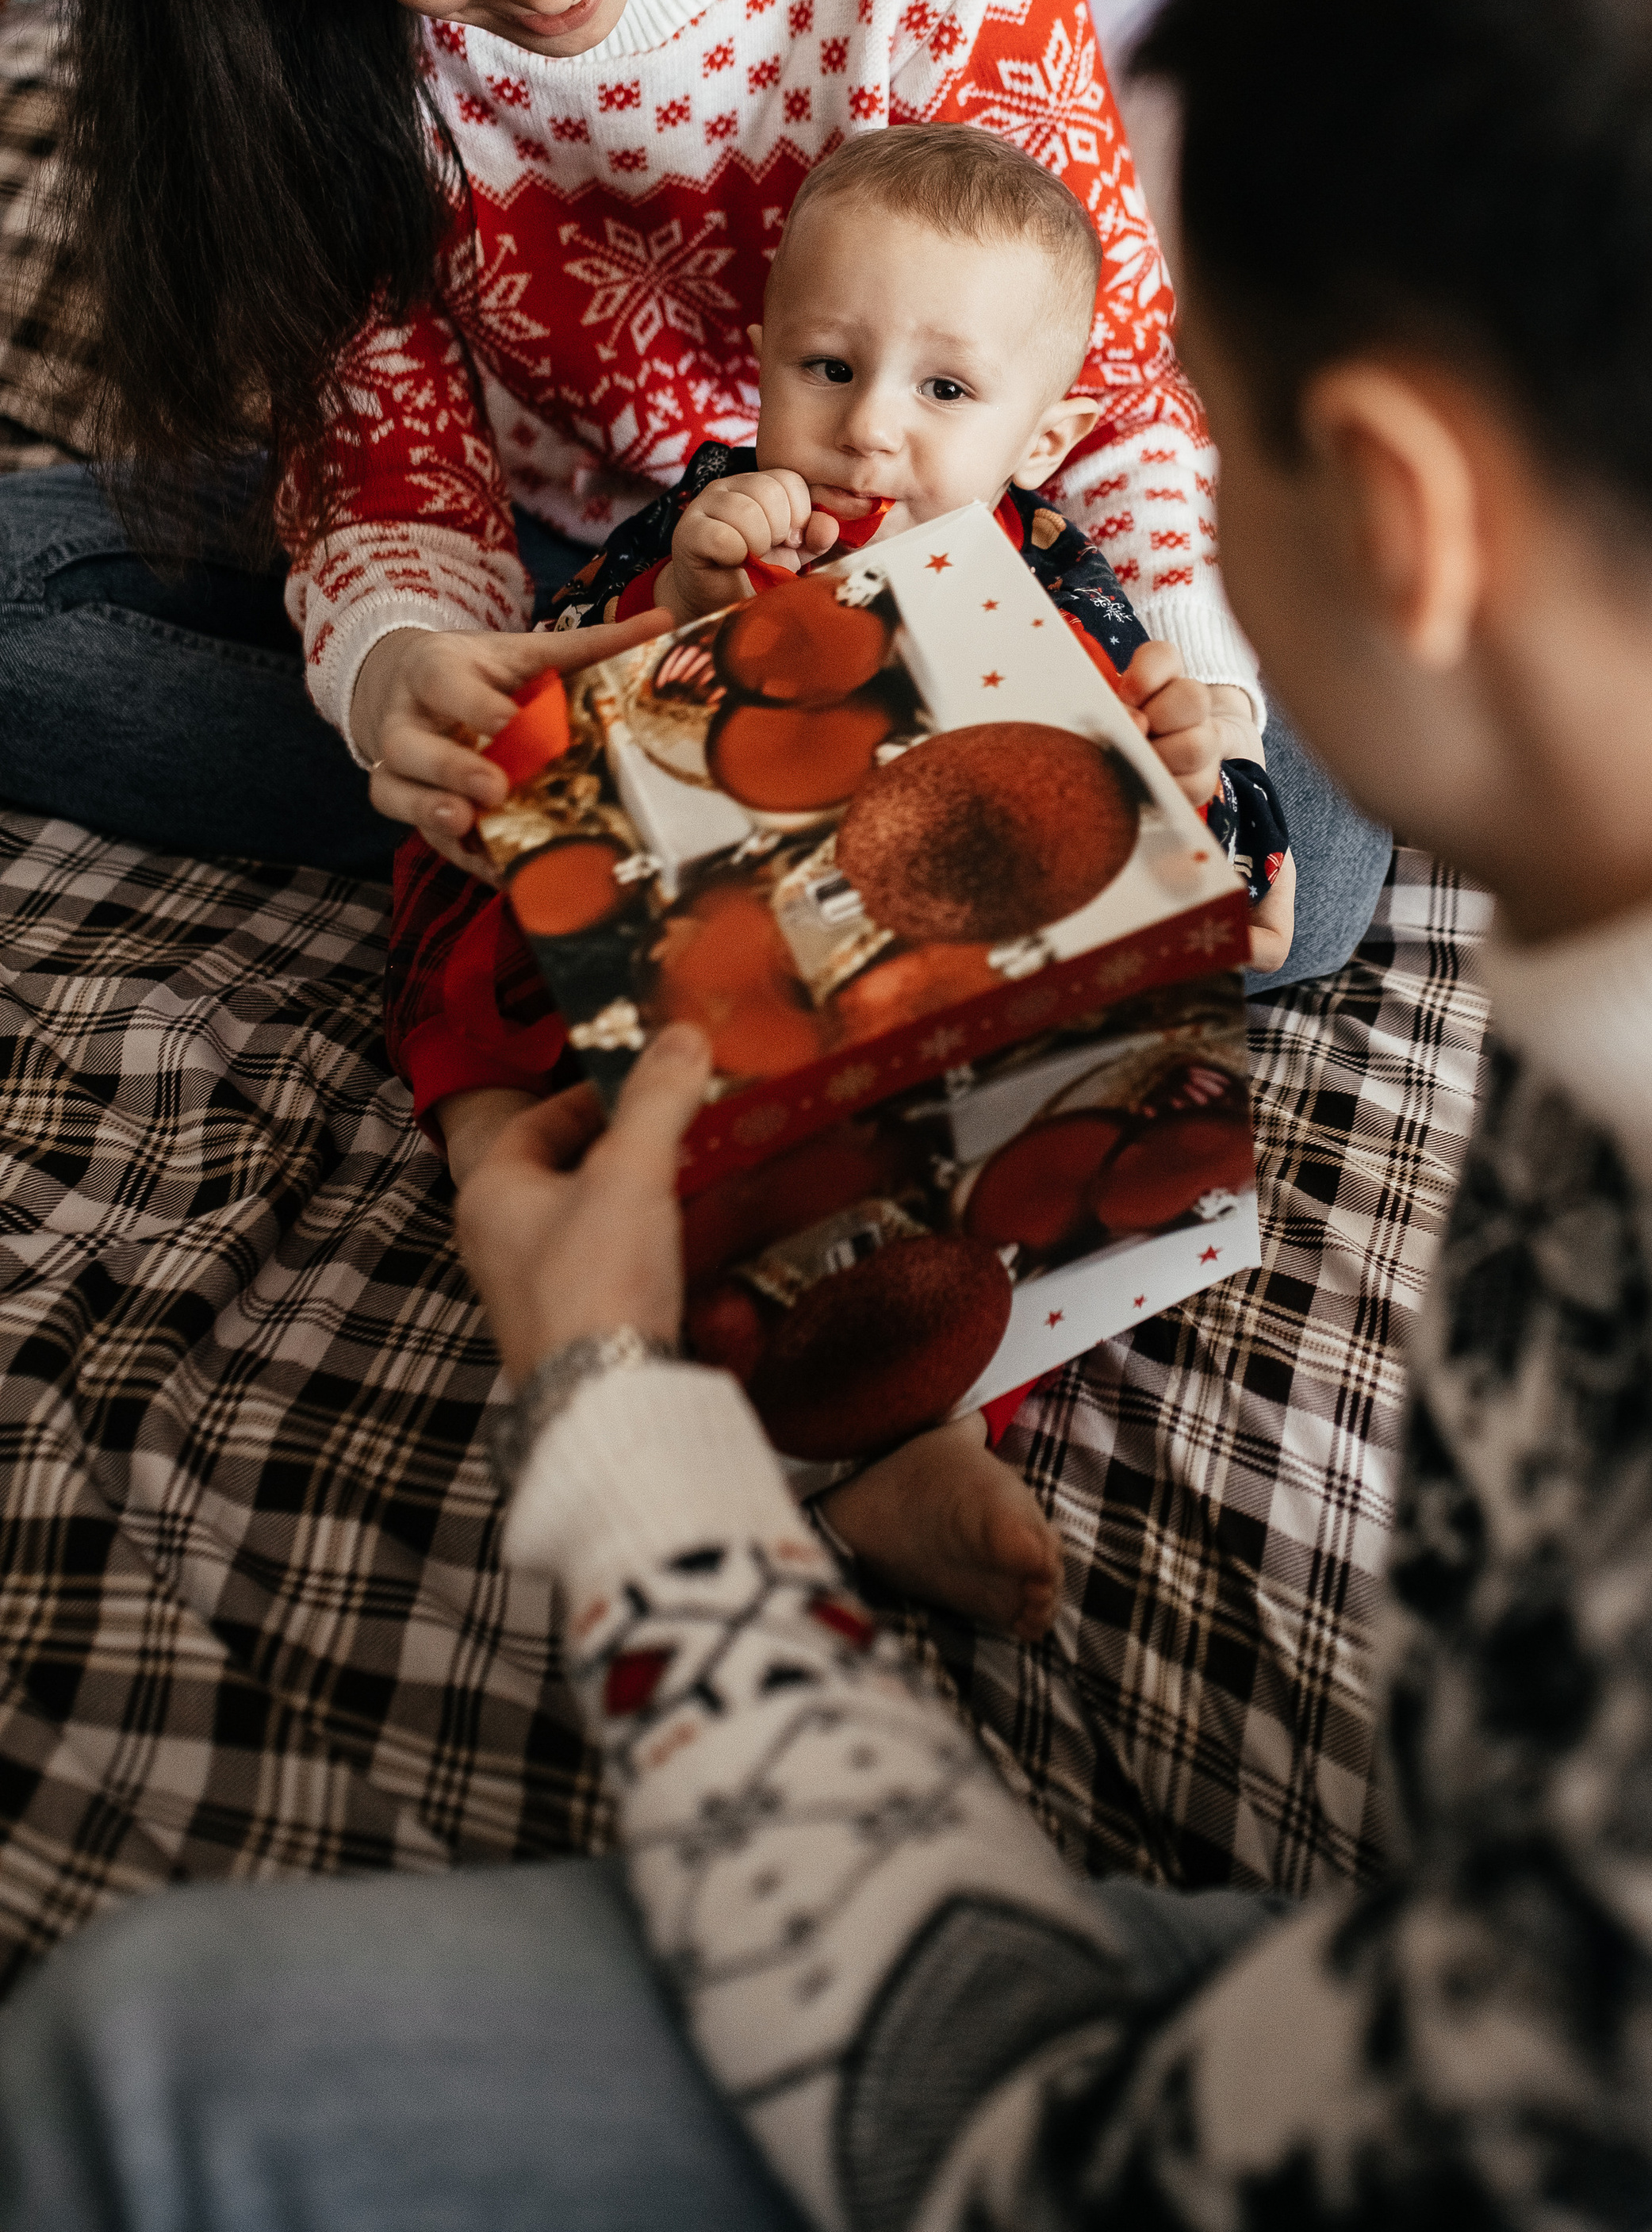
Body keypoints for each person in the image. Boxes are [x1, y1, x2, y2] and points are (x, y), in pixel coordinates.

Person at [17, 0, 1652, 2230]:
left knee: (127, 2064)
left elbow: (1056, 2165)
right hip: (1494, 1949)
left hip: (1446, 2098)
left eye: (1199, 402)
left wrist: (622, 1429)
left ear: (1394, 516)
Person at [0, 0, 1388, 984]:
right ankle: (761, 831)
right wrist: (401, 670)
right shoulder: (291, 24)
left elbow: (1106, 391)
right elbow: (374, 432)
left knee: (1296, 864)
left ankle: (648, 828)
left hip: (962, 566)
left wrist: (1190, 702)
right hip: (579, 574)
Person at [391, 118, 1297, 1638]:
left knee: (993, 1150)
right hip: (674, 932)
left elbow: (1177, 744)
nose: (872, 428)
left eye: (945, 390)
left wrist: (1220, 821)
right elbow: (584, 695)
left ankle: (915, 1440)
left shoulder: (1057, 570)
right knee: (489, 981)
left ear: (1047, 432)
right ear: (762, 361)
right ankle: (517, 1195)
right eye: (828, 367)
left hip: (900, 959)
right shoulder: (725, 514)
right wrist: (693, 589)